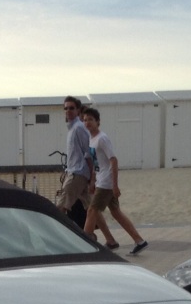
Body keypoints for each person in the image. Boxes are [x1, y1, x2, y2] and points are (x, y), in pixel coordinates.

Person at [81, 106, 147, 255]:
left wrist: (115, 186)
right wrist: (92, 181)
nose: (87, 123)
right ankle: (139, 241)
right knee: (116, 212)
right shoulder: (91, 140)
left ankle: (85, 244)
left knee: (92, 210)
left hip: (106, 182)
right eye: (85, 120)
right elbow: (96, 162)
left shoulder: (102, 138)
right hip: (100, 180)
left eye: (90, 120)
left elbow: (114, 160)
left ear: (98, 122)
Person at [57, 96, 115, 245]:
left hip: (77, 174)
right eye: (66, 108)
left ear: (78, 110)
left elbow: (88, 154)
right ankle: (110, 240)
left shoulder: (79, 128)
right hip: (78, 173)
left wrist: (92, 179)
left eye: (71, 108)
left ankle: (59, 241)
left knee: (61, 208)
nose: (68, 111)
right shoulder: (72, 129)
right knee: (93, 209)